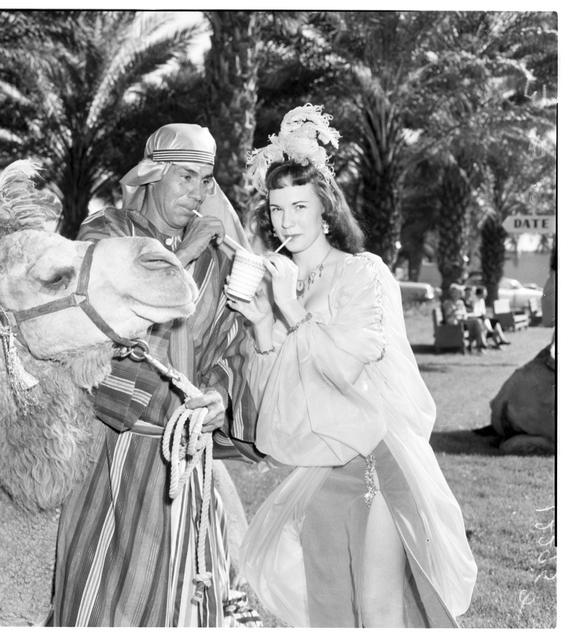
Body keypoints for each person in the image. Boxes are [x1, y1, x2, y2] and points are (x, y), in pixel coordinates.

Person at [227, 104, 477, 627]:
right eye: (277, 210)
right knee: (329, 605)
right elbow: (277, 395)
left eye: (300, 206)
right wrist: (260, 325)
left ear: (326, 209)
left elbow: (341, 368)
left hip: (372, 460)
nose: (288, 221)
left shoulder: (363, 274)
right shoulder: (279, 283)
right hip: (317, 469)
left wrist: (291, 310)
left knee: (379, 606)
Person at [52, 123, 262, 627]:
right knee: (105, 593)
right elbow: (96, 333)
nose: (197, 193)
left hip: (189, 459)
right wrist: (182, 258)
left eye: (205, 181)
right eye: (185, 177)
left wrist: (218, 394)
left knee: (188, 593)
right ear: (152, 176)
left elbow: (230, 346)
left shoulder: (215, 260)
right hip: (115, 456)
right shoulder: (106, 235)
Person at [442, 283, 489, 353]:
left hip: (462, 320)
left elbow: (464, 313)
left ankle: (479, 345)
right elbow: (448, 316)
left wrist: (463, 315)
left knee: (478, 322)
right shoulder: (447, 303)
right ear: (451, 293)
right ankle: (481, 345)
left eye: (458, 293)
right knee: (476, 323)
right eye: (455, 292)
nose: (457, 294)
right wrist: (455, 312)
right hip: (453, 322)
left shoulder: (460, 302)